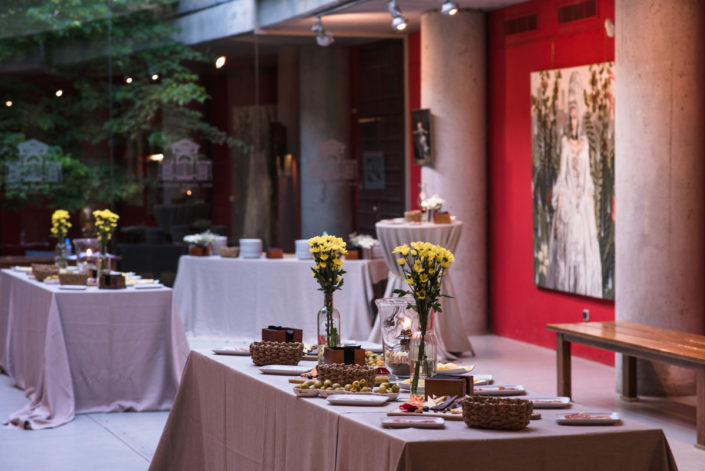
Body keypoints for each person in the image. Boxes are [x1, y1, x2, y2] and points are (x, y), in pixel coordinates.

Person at [546, 72, 602, 297]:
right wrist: (562, 206)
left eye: (575, 117)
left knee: (585, 246)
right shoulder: (564, 144)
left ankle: (584, 288)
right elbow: (562, 174)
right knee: (567, 250)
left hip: (583, 201)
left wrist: (586, 198)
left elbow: (588, 175)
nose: (572, 122)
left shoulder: (586, 144)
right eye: (570, 118)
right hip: (568, 198)